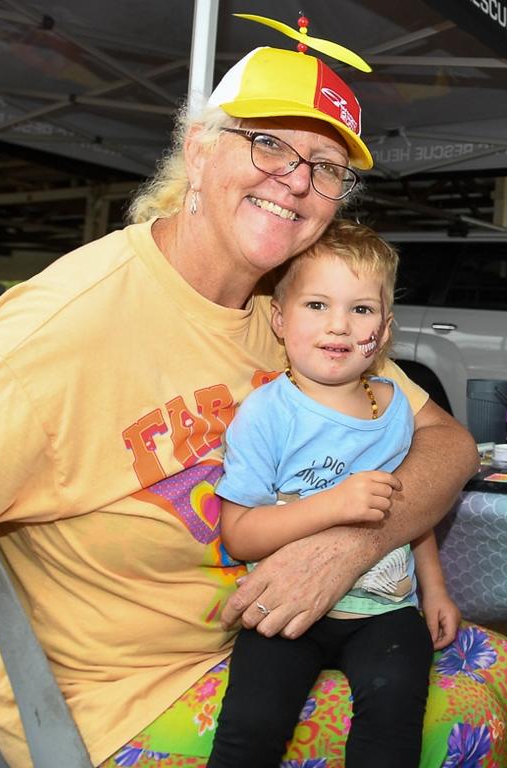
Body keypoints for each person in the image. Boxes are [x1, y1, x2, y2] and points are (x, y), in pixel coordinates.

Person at [0, 32, 507, 768]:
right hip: (126, 698)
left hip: (286, 638)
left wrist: (348, 545)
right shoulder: (60, 331)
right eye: (266, 145)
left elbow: (447, 443)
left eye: (324, 168)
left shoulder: (295, 309)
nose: (294, 180)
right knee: (468, 720)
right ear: (197, 151)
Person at [207, 219, 460, 766]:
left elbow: (411, 510)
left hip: (386, 614)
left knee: (393, 725)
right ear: (279, 317)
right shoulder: (267, 414)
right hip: (285, 613)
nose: (339, 326)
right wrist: (336, 503)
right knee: (250, 730)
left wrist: (434, 590)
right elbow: (240, 534)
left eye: (361, 310)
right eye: (316, 305)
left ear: (385, 328)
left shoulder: (396, 406)